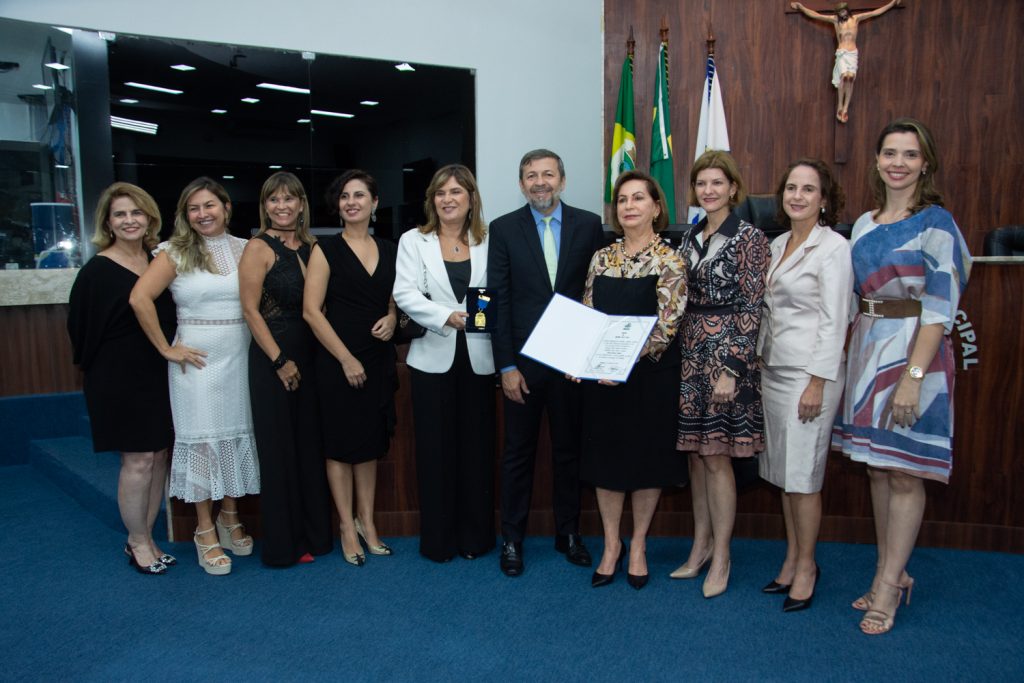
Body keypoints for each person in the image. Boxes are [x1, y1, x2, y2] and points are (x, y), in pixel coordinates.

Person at [833, 118, 971, 635]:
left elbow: (939, 309)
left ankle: (889, 588)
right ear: (875, 160)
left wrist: (913, 377)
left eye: (909, 155)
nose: (898, 162)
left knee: (905, 472)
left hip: (917, 352)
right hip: (869, 349)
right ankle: (889, 570)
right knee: (876, 467)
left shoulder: (938, 223)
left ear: (925, 164)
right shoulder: (865, 224)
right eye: (889, 152)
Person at [130, 177, 260, 576]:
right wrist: (166, 349)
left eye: (210, 206)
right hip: (196, 362)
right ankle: (204, 531)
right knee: (204, 443)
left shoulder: (246, 248)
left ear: (226, 207)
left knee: (237, 434)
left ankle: (230, 516)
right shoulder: (173, 252)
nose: (203, 214)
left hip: (240, 354)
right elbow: (139, 298)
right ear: (185, 215)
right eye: (194, 208)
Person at [488, 149, 605, 577]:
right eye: (531, 176)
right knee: (517, 454)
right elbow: (495, 300)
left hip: (573, 364)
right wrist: (505, 367)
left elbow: (597, 293)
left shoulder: (590, 225)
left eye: (548, 174)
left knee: (568, 452)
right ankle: (513, 539)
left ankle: (568, 532)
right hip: (523, 366)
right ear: (521, 184)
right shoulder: (502, 229)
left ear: (562, 180)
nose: (540, 182)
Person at [577, 171, 688, 590]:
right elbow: (589, 318)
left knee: (645, 464)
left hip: (648, 378)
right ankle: (611, 545)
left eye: (638, 198)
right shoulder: (601, 258)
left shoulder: (672, 260)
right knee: (606, 464)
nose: (628, 206)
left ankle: (638, 544)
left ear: (656, 208)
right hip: (603, 380)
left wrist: (617, 362)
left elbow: (667, 326)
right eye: (622, 199)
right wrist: (583, 358)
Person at [672, 150, 769, 598]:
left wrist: (732, 368)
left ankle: (723, 555)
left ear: (733, 188)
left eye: (717, 183)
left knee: (716, 456)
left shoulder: (749, 237)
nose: (708, 190)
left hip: (727, 357)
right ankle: (700, 546)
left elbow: (753, 308)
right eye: (701, 183)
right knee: (695, 456)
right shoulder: (690, 236)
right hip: (690, 352)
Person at [756, 159, 852, 611]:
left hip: (809, 377)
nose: (797, 195)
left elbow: (836, 321)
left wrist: (817, 382)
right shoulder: (776, 246)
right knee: (784, 476)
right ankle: (792, 558)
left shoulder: (833, 248)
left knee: (804, 478)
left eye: (808, 189)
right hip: (773, 373)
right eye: (791, 187)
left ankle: (808, 565)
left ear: (824, 199)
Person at [67, 182, 177, 575]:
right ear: (108, 223)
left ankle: (147, 535)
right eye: (120, 214)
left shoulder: (159, 259)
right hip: (117, 377)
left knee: (160, 455)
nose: (129, 220)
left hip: (160, 372)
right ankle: (136, 542)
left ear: (149, 218)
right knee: (138, 460)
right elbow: (80, 333)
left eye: (136, 213)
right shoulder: (95, 272)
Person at [393, 164, 496, 563]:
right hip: (431, 358)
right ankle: (438, 541)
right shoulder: (413, 241)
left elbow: (492, 289)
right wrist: (444, 317)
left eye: (456, 191)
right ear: (431, 200)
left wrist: (476, 320)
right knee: (434, 453)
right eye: (441, 193)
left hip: (479, 356)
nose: (448, 199)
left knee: (476, 451)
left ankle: (475, 539)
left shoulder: (488, 240)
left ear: (471, 198)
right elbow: (404, 292)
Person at [303, 169, 397, 567]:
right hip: (338, 360)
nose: (352, 202)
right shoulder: (325, 249)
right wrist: (345, 358)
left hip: (377, 360)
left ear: (375, 204)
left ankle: (368, 523)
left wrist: (393, 316)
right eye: (345, 196)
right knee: (341, 448)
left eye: (360, 195)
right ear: (338, 205)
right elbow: (310, 311)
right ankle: (346, 526)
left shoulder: (392, 249)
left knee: (370, 447)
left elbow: (398, 297)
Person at [238, 172, 332, 567]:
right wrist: (279, 360)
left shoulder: (312, 247)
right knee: (278, 452)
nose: (282, 206)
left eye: (289, 199)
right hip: (272, 358)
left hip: (310, 357)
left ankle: (312, 536)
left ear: (300, 205)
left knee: (308, 448)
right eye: (274, 200)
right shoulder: (257, 248)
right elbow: (249, 310)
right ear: (265, 206)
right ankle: (283, 546)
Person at [791, 0, 901, 123]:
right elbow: (816, 15)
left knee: (850, 78)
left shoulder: (856, 19)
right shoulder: (835, 21)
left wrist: (891, 4)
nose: (842, 13)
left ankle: (845, 108)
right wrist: (801, 7)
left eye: (843, 11)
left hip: (852, 53)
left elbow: (875, 12)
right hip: (842, 52)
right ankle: (839, 105)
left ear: (847, 10)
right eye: (839, 12)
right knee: (844, 77)